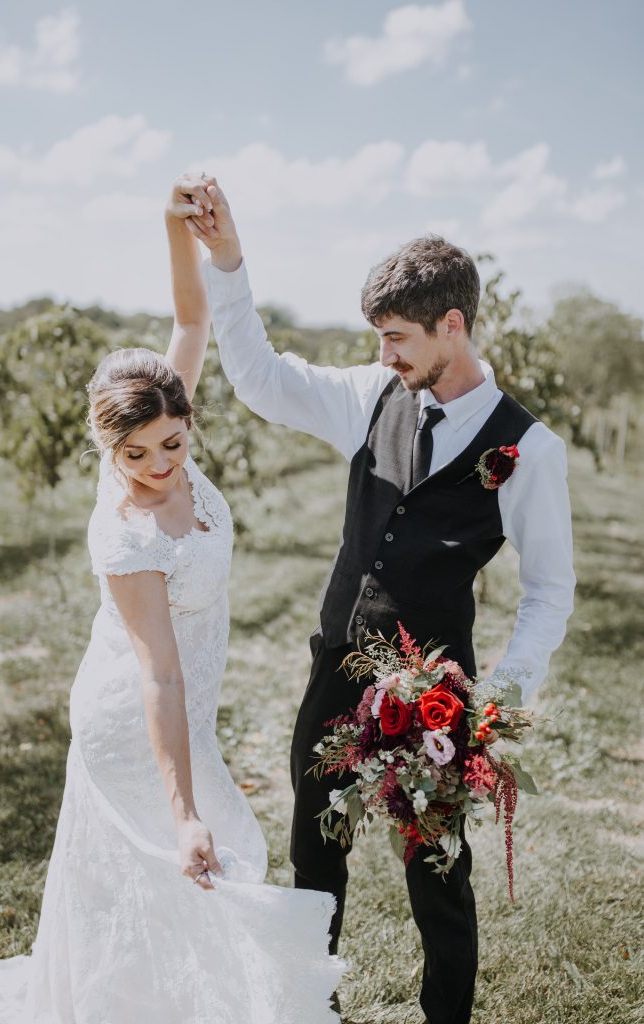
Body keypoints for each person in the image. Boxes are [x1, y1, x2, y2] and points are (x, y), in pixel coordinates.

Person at [185, 181, 576, 1024]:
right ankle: (310, 1011)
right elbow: (260, 378)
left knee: (435, 872)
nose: (386, 354)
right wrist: (228, 263)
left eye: (398, 338)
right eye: (379, 339)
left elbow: (548, 589)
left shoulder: (528, 448)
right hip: (336, 669)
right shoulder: (371, 395)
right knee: (312, 857)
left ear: (453, 326)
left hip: (436, 703)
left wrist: (498, 697)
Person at [0, 174, 344, 1024]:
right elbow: (159, 678)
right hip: (132, 720)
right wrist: (182, 813)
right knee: (194, 859)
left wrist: (178, 226)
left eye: (171, 443)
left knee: (176, 891)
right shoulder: (128, 535)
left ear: (185, 416)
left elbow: (192, 318)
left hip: (180, 709)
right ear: (110, 446)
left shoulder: (167, 414)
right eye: (134, 455)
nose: (159, 466)